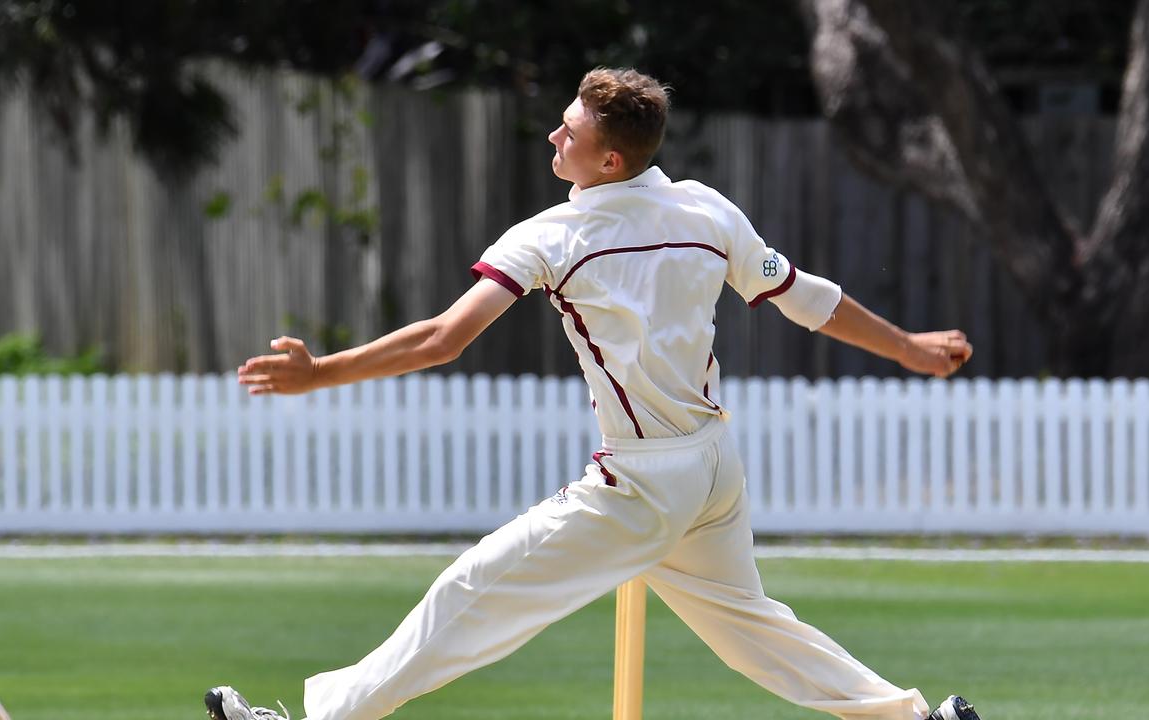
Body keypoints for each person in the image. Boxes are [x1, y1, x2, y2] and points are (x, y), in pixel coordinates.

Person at [207, 67, 980, 720]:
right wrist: (909, 348)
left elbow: (444, 338)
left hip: (641, 480)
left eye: (568, 132)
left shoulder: (551, 236)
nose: (554, 138)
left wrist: (320, 373)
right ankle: (916, 718)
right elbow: (812, 300)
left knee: (474, 588)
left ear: (609, 160)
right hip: (713, 466)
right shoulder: (707, 209)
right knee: (750, 630)